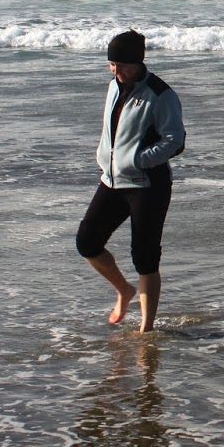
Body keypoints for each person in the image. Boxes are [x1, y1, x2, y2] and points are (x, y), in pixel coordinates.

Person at [75, 29, 186, 332]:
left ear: (138, 62)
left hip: (147, 186)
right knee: (87, 242)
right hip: (112, 181)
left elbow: (175, 141)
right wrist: (107, 157)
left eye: (122, 66)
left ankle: (145, 330)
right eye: (111, 65)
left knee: (145, 258)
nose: (116, 71)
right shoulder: (113, 86)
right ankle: (124, 290)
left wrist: (138, 160)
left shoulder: (161, 95)